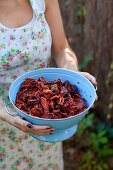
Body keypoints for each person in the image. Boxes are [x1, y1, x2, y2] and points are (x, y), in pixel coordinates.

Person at [0, 0, 97, 169]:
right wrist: (7, 115)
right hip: (3, 123)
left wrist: (72, 75)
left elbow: (62, 48)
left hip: (48, 123)